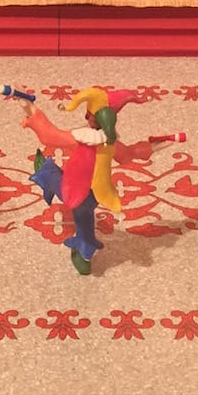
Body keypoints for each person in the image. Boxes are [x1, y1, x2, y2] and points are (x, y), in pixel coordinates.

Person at [18, 87, 156, 276]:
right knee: (83, 217)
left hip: (74, 191)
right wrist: (154, 146)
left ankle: (44, 173)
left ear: (91, 117)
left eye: (89, 114)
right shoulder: (111, 144)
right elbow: (129, 154)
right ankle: (84, 252)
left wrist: (30, 109)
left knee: (52, 178)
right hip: (94, 195)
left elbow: (49, 135)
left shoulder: (81, 139)